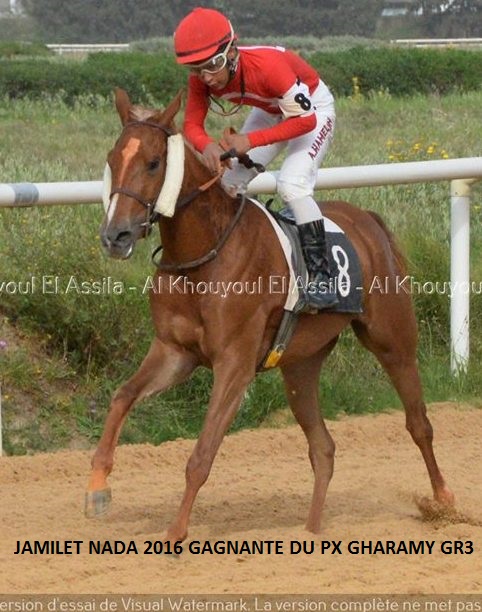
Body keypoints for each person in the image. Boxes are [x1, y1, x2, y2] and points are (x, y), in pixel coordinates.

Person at [173, 7, 338, 310]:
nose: (206, 77)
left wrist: (249, 141)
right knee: (228, 183)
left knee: (292, 184)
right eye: (196, 70)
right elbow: (192, 125)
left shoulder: (269, 66)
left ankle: (321, 277)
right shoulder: (203, 78)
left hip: (312, 111)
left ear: (232, 51)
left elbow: (305, 121)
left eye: (213, 65)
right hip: (270, 109)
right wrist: (207, 146)